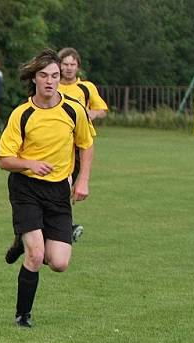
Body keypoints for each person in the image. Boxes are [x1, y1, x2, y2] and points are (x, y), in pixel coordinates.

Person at [0, 48, 94, 328]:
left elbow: (86, 144)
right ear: (34, 79)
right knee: (36, 254)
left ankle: (23, 239)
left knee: (58, 262)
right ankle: (23, 316)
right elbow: (3, 160)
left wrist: (82, 179)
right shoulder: (22, 115)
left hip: (59, 191)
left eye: (55, 76)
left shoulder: (73, 110)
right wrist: (29, 164)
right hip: (26, 188)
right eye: (44, 75)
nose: (50, 81)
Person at [58, 47, 108, 243]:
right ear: (59, 65)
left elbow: (102, 109)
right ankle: (65, 228)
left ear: (78, 66)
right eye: (65, 64)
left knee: (67, 187)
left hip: (78, 147)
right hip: (56, 145)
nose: (69, 68)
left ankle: (63, 227)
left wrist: (92, 114)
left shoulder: (86, 88)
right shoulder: (53, 86)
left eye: (72, 64)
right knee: (59, 187)